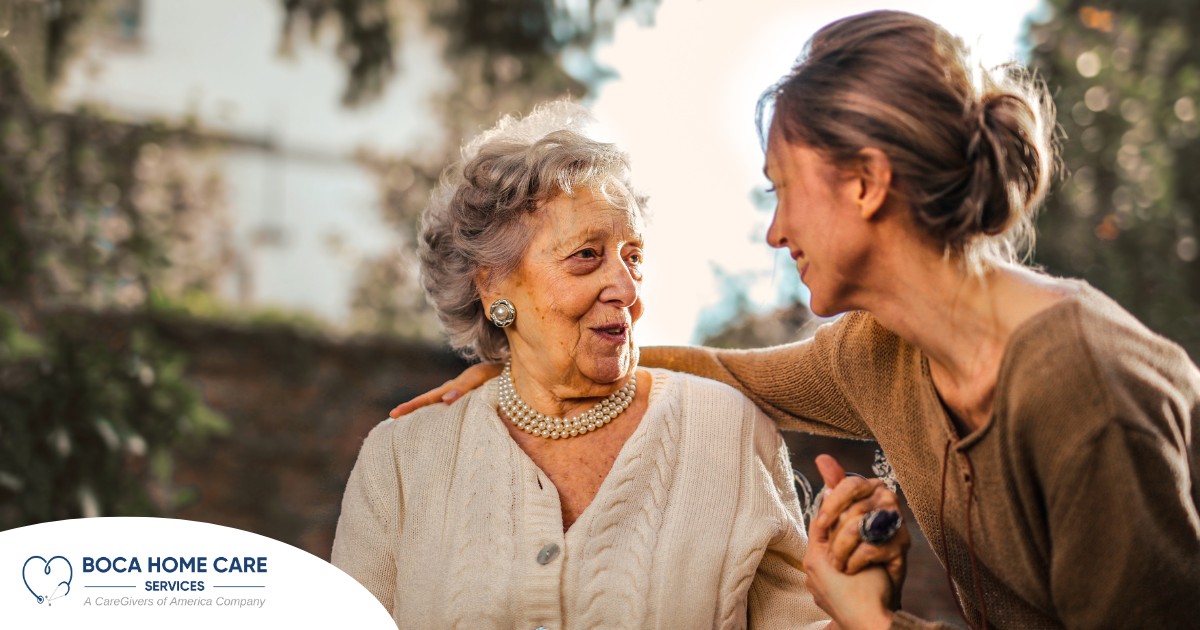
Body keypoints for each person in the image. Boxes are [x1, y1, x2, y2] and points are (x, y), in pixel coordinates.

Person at [390, 11, 1200, 629]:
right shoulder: (882, 352)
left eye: (782, 187)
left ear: (866, 183)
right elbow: (719, 371)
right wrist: (528, 361)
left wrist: (869, 623)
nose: (775, 231)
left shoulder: (1083, 393)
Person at [331, 101, 850, 628]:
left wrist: (860, 606)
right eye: (586, 256)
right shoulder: (400, 459)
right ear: (492, 285)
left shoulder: (730, 432)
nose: (627, 290)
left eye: (634, 257)